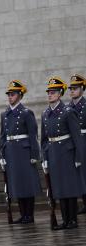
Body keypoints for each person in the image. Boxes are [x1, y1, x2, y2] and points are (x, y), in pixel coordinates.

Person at [41, 77, 84, 230]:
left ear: (60, 94)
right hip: (53, 153)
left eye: (53, 92)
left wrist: (79, 157)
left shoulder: (68, 112)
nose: (50, 95)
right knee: (58, 188)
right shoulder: (45, 114)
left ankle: (72, 220)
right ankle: (64, 220)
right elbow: (44, 140)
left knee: (69, 187)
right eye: (48, 92)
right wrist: (44, 158)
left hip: (67, 153)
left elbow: (77, 137)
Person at [0, 80, 41, 224]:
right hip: (11, 152)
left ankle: (29, 214)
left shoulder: (26, 113)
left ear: (20, 95)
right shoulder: (5, 114)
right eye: (9, 94)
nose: (10, 96)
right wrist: (1, 155)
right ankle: (23, 214)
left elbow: (33, 135)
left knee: (27, 184)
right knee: (17, 185)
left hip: (24, 151)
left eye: (13, 94)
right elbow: (2, 136)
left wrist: (35, 155)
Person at [67, 74, 86, 215]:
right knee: (79, 174)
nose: (72, 91)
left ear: (82, 89)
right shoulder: (67, 108)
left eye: (75, 88)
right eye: (71, 88)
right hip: (73, 144)